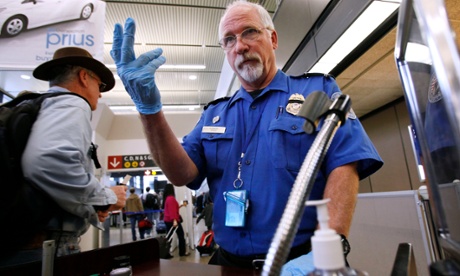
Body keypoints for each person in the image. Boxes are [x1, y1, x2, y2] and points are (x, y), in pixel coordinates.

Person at [111, 0, 383, 270]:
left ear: (273, 38)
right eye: (229, 40)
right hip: (229, 264)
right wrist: (149, 111)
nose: (240, 46)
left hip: (302, 263)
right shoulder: (214, 115)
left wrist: (330, 248)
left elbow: (345, 162)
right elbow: (181, 174)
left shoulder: (317, 91)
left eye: (249, 32)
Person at [1, 47, 127, 267]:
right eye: (100, 84)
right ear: (84, 76)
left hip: (18, 240)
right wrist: (107, 196)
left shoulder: (40, 106)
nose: (100, 93)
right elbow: (49, 162)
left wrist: (92, 207)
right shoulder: (73, 103)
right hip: (48, 246)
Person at [162, 183, 190, 257]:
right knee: (180, 235)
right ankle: (182, 252)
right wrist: (174, 220)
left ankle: (165, 252)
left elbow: (173, 208)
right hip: (172, 221)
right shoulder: (171, 198)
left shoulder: (167, 198)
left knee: (169, 237)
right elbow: (172, 211)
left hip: (168, 220)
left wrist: (181, 205)